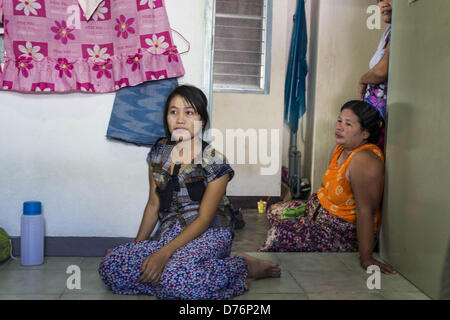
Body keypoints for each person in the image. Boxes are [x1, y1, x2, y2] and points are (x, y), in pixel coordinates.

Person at [99, 85, 280, 300]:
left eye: (189, 112)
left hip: (210, 232)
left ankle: (241, 267)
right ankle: (202, 278)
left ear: (202, 120)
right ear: (166, 117)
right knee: (112, 266)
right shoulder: (159, 153)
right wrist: (135, 250)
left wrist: (163, 254)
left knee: (176, 278)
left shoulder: (214, 161)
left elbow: (204, 219)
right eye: (173, 111)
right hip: (171, 232)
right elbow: (153, 205)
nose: (180, 119)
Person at [259, 100, 396, 275]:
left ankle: (261, 269)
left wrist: (366, 258)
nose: (339, 127)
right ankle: (304, 240)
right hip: (317, 211)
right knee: (275, 211)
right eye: (339, 120)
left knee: (279, 233)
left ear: (365, 133)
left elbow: (366, 212)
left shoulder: (364, 160)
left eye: (348, 124)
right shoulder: (340, 148)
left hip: (339, 232)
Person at [358, 0, 392, 150]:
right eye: (380, 0)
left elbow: (381, 72)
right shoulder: (388, 32)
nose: (384, 3)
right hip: (373, 115)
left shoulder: (398, 31)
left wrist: (362, 80)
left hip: (381, 119)